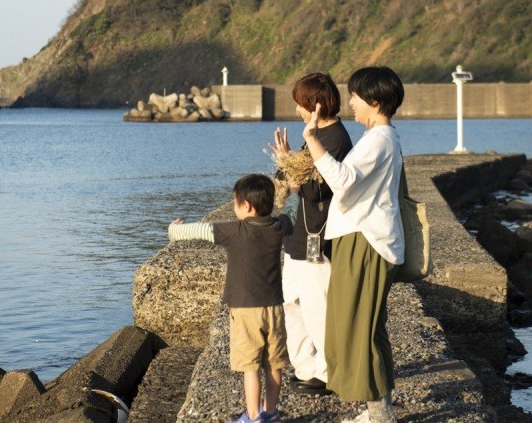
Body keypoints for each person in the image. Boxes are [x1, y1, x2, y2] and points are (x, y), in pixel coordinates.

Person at [301, 66, 405, 423]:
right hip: (365, 240)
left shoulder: (378, 140)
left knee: (360, 330)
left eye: (356, 96)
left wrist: (313, 139)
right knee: (367, 329)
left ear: (374, 101)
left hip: (366, 243)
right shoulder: (383, 138)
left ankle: (379, 415)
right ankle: (378, 410)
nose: (350, 103)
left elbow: (342, 181)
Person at [168, 173, 297, 423]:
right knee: (274, 364)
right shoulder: (278, 226)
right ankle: (271, 413)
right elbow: (292, 212)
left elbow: (200, 230)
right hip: (274, 308)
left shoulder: (234, 231)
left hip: (246, 310)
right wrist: (294, 193)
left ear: (246, 207)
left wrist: (175, 230)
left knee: (250, 366)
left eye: (235, 202)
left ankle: (252, 416)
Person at [269, 72, 352, 396]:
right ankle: (305, 366)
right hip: (299, 238)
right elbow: (292, 181)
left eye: (300, 104)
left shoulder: (336, 139)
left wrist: (290, 165)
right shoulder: (316, 135)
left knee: (319, 309)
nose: (297, 110)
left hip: (319, 236)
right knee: (291, 302)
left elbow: (319, 190)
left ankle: (328, 373)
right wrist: (288, 160)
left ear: (313, 104)